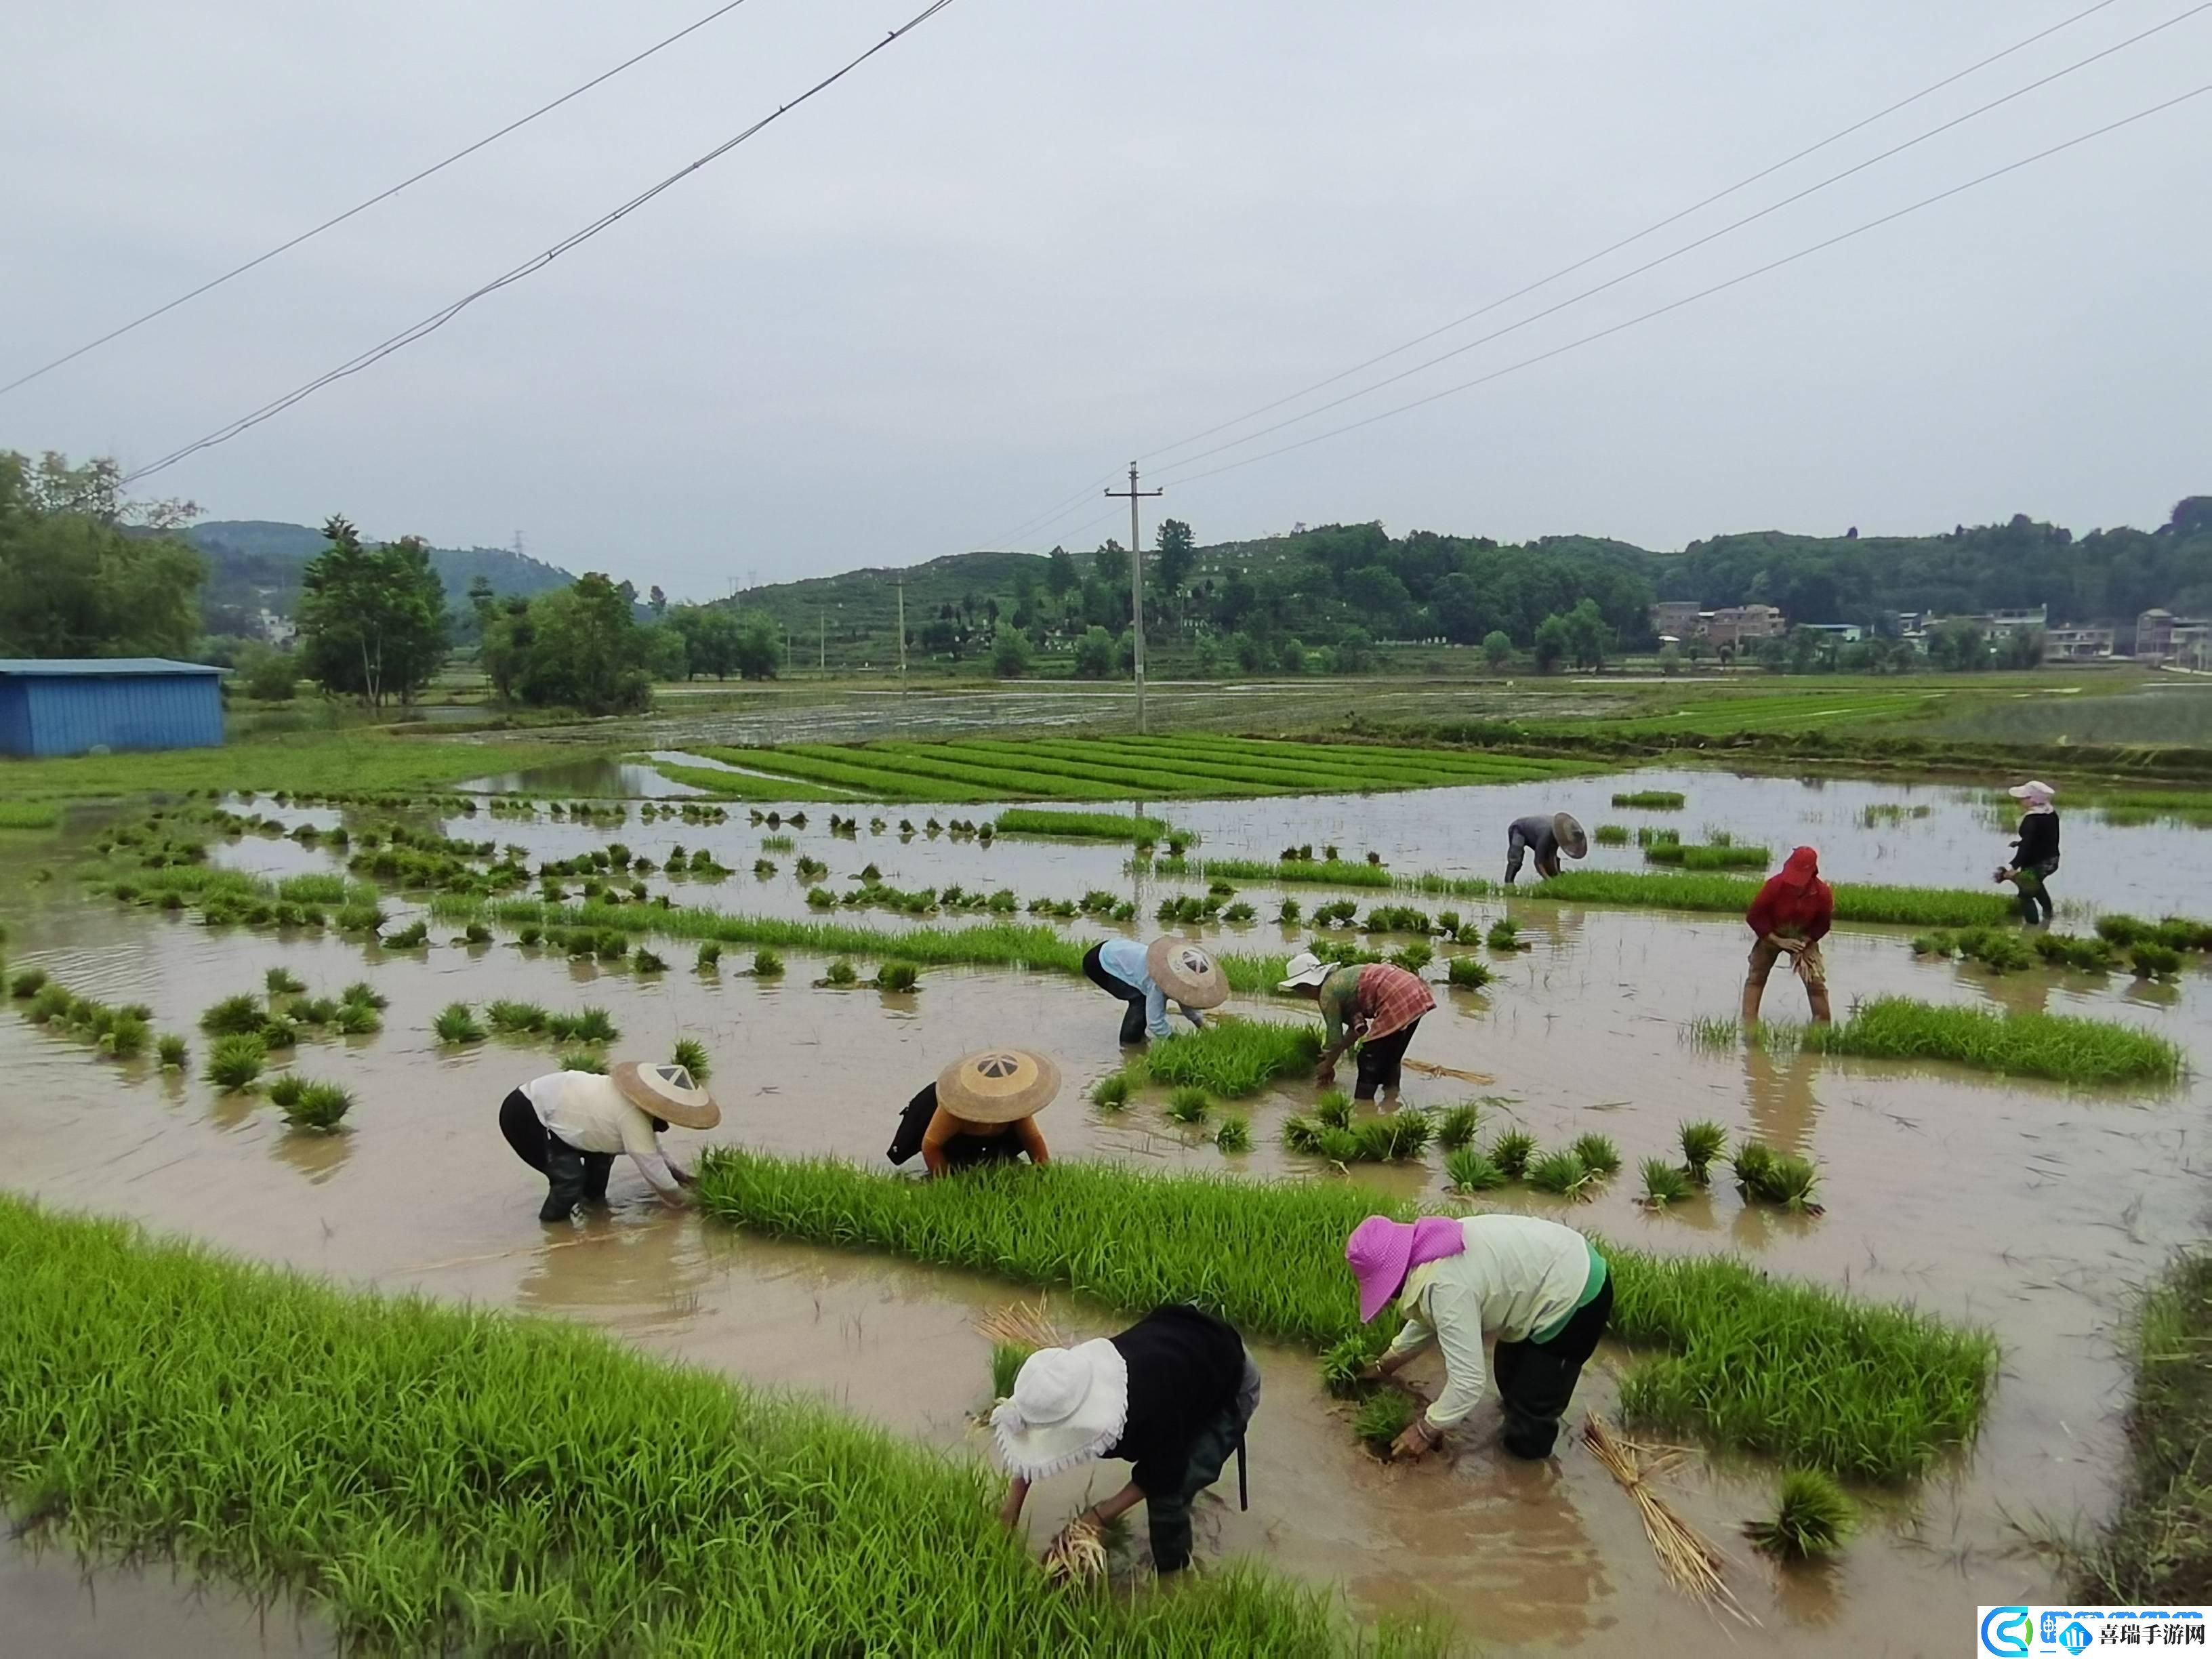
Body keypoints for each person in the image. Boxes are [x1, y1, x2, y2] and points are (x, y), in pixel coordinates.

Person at [995, 1303, 1261, 1576]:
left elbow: (1160, 1474)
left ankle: (1175, 1577)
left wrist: (1094, 1519)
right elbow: (1033, 1438)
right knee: (1171, 1438)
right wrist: (1009, 1512)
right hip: (1181, 1344)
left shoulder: (1146, 1411)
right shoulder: (1062, 1381)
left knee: (1172, 1492)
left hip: (1229, 1370)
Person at [1345, 1212, 1611, 1461]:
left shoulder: (1445, 1284)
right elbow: (1430, 1318)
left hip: (1579, 1293)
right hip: (1553, 1270)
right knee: (1509, 1376)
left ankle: (1530, 1485)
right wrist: (1385, 1365)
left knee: (1530, 1422)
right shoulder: (1432, 1248)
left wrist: (1426, 1429)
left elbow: (1468, 1382)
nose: (1390, 1298)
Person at [498, 1061, 716, 1223]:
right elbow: (654, 1170)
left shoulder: (637, 1106)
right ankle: (554, 1230)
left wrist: (685, 1177)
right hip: (526, 1113)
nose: (667, 1125)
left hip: (562, 1114)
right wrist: (689, 1203)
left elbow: (656, 1152)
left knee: (602, 1160)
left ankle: (594, 1213)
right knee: (569, 1179)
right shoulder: (633, 1115)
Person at [1279, 951, 1435, 1101]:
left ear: (1306, 987)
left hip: (1395, 994)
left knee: (1368, 1059)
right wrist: (1333, 1056)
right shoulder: (1342, 981)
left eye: (1299, 991)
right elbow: (1357, 1030)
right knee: (1391, 1056)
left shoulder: (1327, 993)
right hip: (1414, 988)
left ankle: (1363, 1108)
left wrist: (1327, 1064)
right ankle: (1391, 1101)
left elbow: (1335, 1038)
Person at [886, 1048, 1059, 1176]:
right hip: (936, 1120)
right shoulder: (956, 1103)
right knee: (954, 1161)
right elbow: (931, 1145)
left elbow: (1032, 1138)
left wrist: (1045, 1174)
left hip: (984, 1135)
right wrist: (946, 1185)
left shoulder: (1014, 1101)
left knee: (995, 1160)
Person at [1742, 845, 1834, 1027]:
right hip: (1772, 933)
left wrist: (1806, 941)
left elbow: (1822, 924)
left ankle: (1823, 1027)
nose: (1794, 885)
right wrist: (1777, 940)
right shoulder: (1775, 886)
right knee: (1756, 977)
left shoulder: (1822, 894)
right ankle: (1748, 1024)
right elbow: (1754, 916)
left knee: (1815, 982)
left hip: (1803, 937)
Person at [1081, 937, 1226, 1046]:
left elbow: (1185, 999)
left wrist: (1204, 1028)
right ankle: (1129, 1046)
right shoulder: (1158, 981)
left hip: (1116, 947)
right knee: (1140, 1000)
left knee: (1144, 1000)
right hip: (1100, 962)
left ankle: (1138, 1037)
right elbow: (1156, 1023)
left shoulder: (1175, 974)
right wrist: (1177, 1042)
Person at [1998, 779, 2061, 926]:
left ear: (2033, 800)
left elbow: (2027, 845)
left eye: (2024, 798)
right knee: (2036, 885)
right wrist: (2019, 842)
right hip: (2052, 860)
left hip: (2037, 863)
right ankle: (2048, 916)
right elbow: (2044, 837)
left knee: (2025, 894)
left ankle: (2032, 929)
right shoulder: (2050, 813)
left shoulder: (2031, 819)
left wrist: (2014, 867)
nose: (2020, 801)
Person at [1504, 811, 1589, 884]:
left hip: (1534, 834)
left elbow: (1553, 855)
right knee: (1516, 861)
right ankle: (1508, 884)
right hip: (1518, 829)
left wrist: (1557, 875)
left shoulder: (1559, 835)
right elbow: (1538, 862)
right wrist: (1549, 880)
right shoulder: (1546, 834)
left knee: (1548, 860)